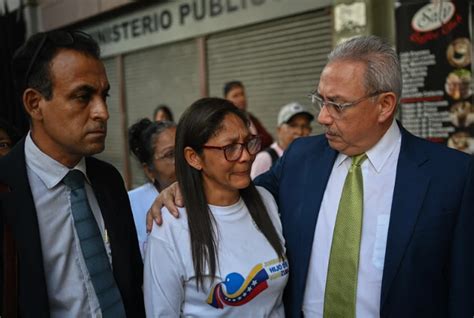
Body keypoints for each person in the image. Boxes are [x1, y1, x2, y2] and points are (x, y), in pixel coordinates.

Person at [149, 35, 474, 318]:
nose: (322, 117)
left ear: (384, 105)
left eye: (337, 104)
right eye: (321, 100)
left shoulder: (451, 177)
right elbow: (235, 191)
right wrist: (186, 184)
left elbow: (462, 292)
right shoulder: (301, 158)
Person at [0, 30, 145, 317]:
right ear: (34, 103)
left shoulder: (109, 180)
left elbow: (131, 281)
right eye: (82, 97)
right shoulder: (5, 188)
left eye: (104, 95)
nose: (102, 112)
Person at [143, 97, 288, 317]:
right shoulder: (170, 226)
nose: (247, 156)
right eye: (230, 148)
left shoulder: (266, 201)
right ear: (194, 158)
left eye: (249, 142)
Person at [128, 118, 176, 258]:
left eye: (184, 149)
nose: (182, 159)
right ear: (149, 170)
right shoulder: (129, 206)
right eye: (170, 154)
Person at [251, 102, 313, 179]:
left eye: (305, 126)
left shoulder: (312, 156)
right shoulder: (265, 158)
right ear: (279, 130)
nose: (300, 131)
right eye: (293, 125)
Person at [224, 80, 274, 149]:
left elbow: (268, 139)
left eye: (242, 94)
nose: (241, 99)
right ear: (226, 99)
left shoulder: (250, 117)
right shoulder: (226, 122)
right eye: (235, 96)